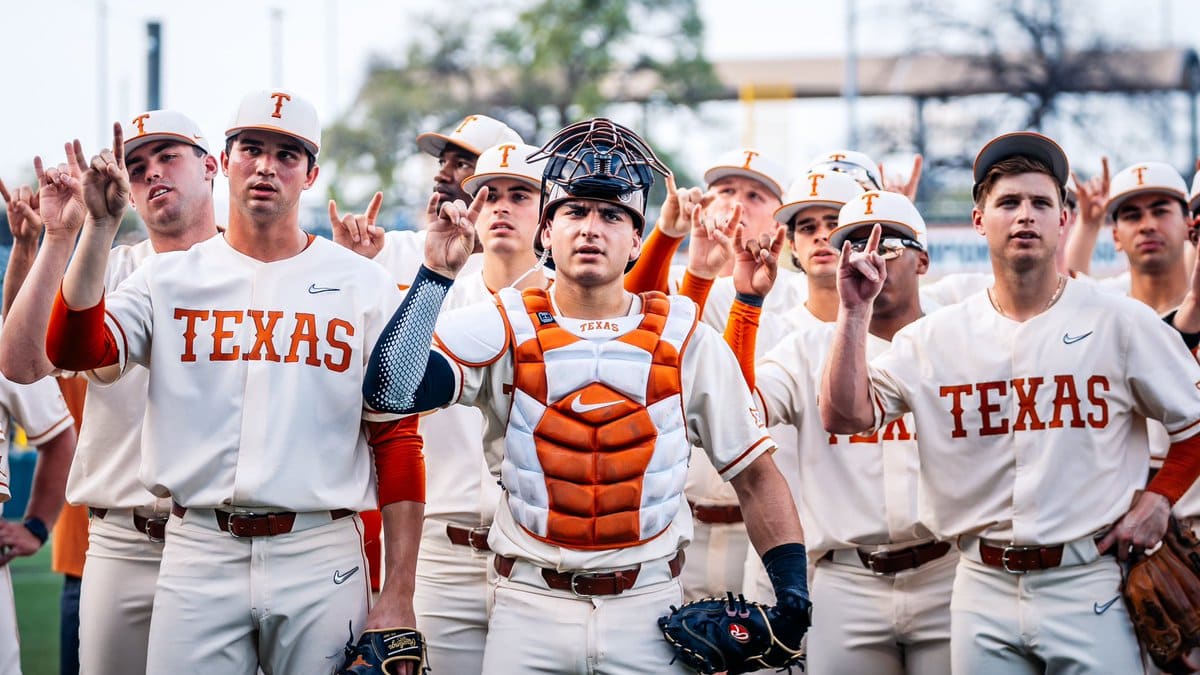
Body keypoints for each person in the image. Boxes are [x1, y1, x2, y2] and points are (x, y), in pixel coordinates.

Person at [363, 118, 810, 674]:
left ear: (636, 237)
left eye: (611, 215)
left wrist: (794, 594)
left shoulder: (685, 335)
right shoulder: (503, 322)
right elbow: (390, 391)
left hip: (649, 604)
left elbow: (756, 474)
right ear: (547, 232)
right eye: (573, 211)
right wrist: (434, 275)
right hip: (530, 603)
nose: (590, 229)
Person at [29, 90, 425, 674]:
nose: (267, 165)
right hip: (199, 546)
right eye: (252, 149)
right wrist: (98, 227)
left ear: (311, 173)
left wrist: (399, 594)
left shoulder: (361, 283)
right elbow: (72, 348)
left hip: (320, 549)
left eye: (287, 154)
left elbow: (397, 439)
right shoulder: (168, 276)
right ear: (225, 158)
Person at [820, 131, 1200, 673]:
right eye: (1008, 203)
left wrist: (1161, 498)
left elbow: (1193, 423)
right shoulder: (935, 338)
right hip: (979, 582)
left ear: (1064, 220)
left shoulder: (1119, 320)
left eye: (1042, 202)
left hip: (1087, 574)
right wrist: (853, 313)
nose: (1026, 215)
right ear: (979, 220)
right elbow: (843, 415)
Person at [0, 110, 221, 675]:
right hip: (121, 536)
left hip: (225, 535)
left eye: (168, 155)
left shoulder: (255, 269)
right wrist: (60, 234)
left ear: (212, 167)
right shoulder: (106, 267)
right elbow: (22, 365)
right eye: (137, 164)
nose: (151, 173)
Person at [331, 141, 548, 674]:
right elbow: (385, 397)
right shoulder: (434, 294)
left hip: (533, 557)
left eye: (520, 195)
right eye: (488, 193)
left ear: (549, 214)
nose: (499, 206)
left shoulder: (571, 306)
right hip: (441, 555)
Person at [727, 189, 955, 674]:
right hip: (847, 580)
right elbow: (736, 408)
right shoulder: (805, 348)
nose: (871, 256)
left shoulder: (960, 339)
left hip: (949, 572)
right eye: (855, 243)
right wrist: (746, 303)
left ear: (923, 261)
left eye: (889, 244)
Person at [334, 114, 521, 284]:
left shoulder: (530, 273)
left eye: (462, 164)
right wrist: (349, 261)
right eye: (442, 162)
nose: (441, 174)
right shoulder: (388, 250)